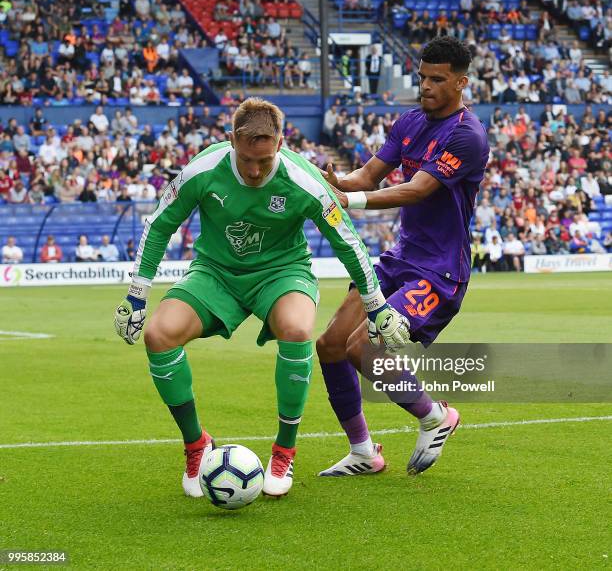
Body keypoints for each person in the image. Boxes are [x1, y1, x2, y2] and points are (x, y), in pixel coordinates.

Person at [113, 98, 410, 499]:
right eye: (248, 159)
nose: (255, 171)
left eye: (265, 162)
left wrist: (375, 304)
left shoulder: (303, 179)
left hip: (282, 273)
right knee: (158, 336)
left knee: (298, 328)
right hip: (214, 273)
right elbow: (159, 224)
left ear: (281, 144)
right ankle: (196, 444)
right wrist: (137, 294)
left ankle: (284, 450)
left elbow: (347, 241)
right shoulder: (203, 169)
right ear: (233, 139)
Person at [317, 36, 489, 477]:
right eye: (422, 77)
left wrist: (349, 202)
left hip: (439, 270)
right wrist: (335, 181)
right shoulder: (409, 122)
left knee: (362, 346)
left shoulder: (468, 136)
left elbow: (418, 189)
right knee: (332, 344)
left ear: (460, 83)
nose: (426, 86)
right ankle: (363, 453)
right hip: (400, 258)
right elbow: (368, 175)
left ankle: (435, 417)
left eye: (437, 79)